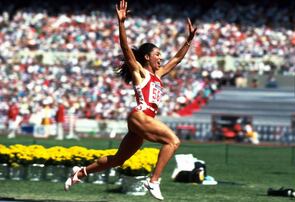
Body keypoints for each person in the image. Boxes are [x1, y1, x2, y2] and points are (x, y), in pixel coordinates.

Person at [64, 0, 197, 200]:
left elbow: (177, 59)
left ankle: (80, 173)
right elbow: (126, 50)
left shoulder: (158, 75)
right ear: (146, 57)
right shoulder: (139, 72)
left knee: (118, 160)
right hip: (140, 115)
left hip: (142, 121)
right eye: (157, 55)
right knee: (173, 141)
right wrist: (121, 24)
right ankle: (154, 181)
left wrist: (189, 40)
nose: (161, 58)